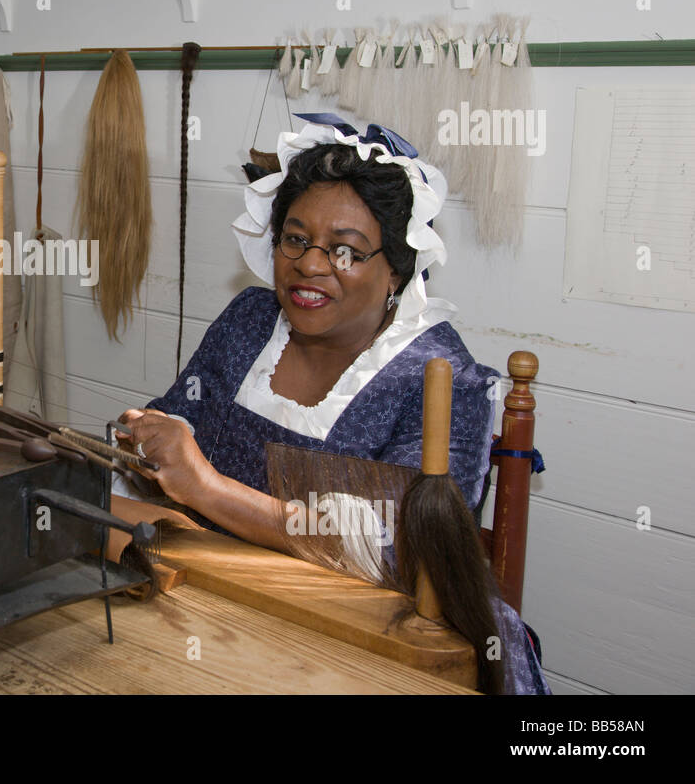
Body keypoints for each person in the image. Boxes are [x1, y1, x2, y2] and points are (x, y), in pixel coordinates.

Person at [118, 114, 550, 695]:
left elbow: (397, 552)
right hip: (214, 593)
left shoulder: (444, 382)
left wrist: (207, 489)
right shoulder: (251, 320)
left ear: (396, 267)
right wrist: (149, 438)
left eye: (346, 250)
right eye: (296, 239)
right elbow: (177, 419)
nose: (312, 265)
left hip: (362, 642)